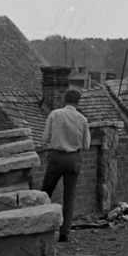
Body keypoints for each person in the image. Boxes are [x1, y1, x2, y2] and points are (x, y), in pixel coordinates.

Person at [40, 87, 90, 242]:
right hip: (73, 158)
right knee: (69, 196)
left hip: (56, 157)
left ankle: (41, 225)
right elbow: (86, 145)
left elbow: (44, 138)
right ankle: (65, 233)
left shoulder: (55, 114)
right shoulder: (82, 119)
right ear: (78, 102)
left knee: (46, 191)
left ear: (64, 100)